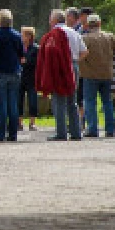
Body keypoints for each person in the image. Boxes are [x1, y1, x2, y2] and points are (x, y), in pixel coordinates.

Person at [37, 9, 80, 141]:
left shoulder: (53, 34)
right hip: (74, 65)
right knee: (72, 101)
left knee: (59, 100)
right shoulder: (74, 32)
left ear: (55, 20)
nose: (49, 21)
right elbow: (84, 51)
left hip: (60, 66)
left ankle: (61, 132)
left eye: (50, 18)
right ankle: (76, 132)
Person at [80, 14, 115, 138]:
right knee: (107, 102)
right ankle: (110, 129)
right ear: (99, 23)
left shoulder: (84, 38)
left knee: (90, 102)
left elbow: (80, 53)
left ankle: (93, 128)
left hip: (90, 74)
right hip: (107, 73)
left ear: (87, 25)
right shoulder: (109, 36)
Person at [0, 9, 24, 143]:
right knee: (13, 103)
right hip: (15, 71)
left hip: (0, 72)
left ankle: (0, 134)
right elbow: (21, 52)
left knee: (1, 104)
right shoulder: (16, 34)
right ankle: (13, 134)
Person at [19, 26, 40, 131]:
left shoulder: (36, 48)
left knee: (33, 101)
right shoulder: (19, 47)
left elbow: (36, 63)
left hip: (32, 78)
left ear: (29, 36)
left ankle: (32, 123)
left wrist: (25, 61)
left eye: (22, 34)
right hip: (20, 78)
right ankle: (19, 123)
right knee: (19, 100)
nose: (20, 36)